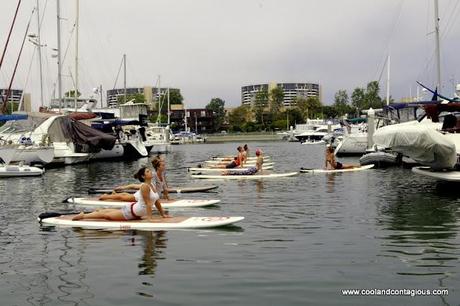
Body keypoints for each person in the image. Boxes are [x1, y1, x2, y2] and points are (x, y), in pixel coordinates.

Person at [73, 167, 170, 221]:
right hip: (131, 212)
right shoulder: (145, 186)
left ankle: (100, 210)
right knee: (108, 216)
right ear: (143, 176)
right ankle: (83, 216)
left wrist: (162, 214)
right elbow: (148, 203)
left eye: (150, 171)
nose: (151, 172)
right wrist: (150, 218)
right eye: (148, 171)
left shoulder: (152, 185)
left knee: (109, 213)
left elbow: (156, 201)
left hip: (137, 213)